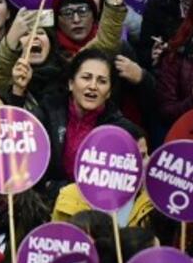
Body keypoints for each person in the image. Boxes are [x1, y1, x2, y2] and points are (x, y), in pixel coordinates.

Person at [37, 48, 129, 188]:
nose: (93, 86)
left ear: (109, 92)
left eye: (102, 81)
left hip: (95, 206)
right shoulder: (47, 111)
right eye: (86, 78)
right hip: (47, 201)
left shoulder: (119, 129)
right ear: (71, 83)